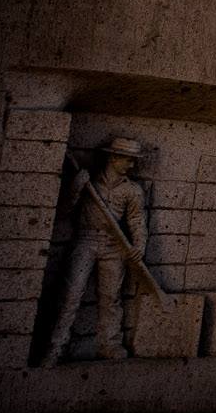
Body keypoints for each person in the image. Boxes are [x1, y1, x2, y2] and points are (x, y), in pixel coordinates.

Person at [40, 137, 149, 365]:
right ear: (114, 158)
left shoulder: (132, 190)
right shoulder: (89, 181)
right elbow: (64, 212)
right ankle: (55, 346)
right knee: (71, 296)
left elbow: (137, 220)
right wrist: (76, 188)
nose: (132, 165)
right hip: (85, 242)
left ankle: (109, 345)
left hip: (114, 246)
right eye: (129, 160)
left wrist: (139, 245)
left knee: (111, 299)